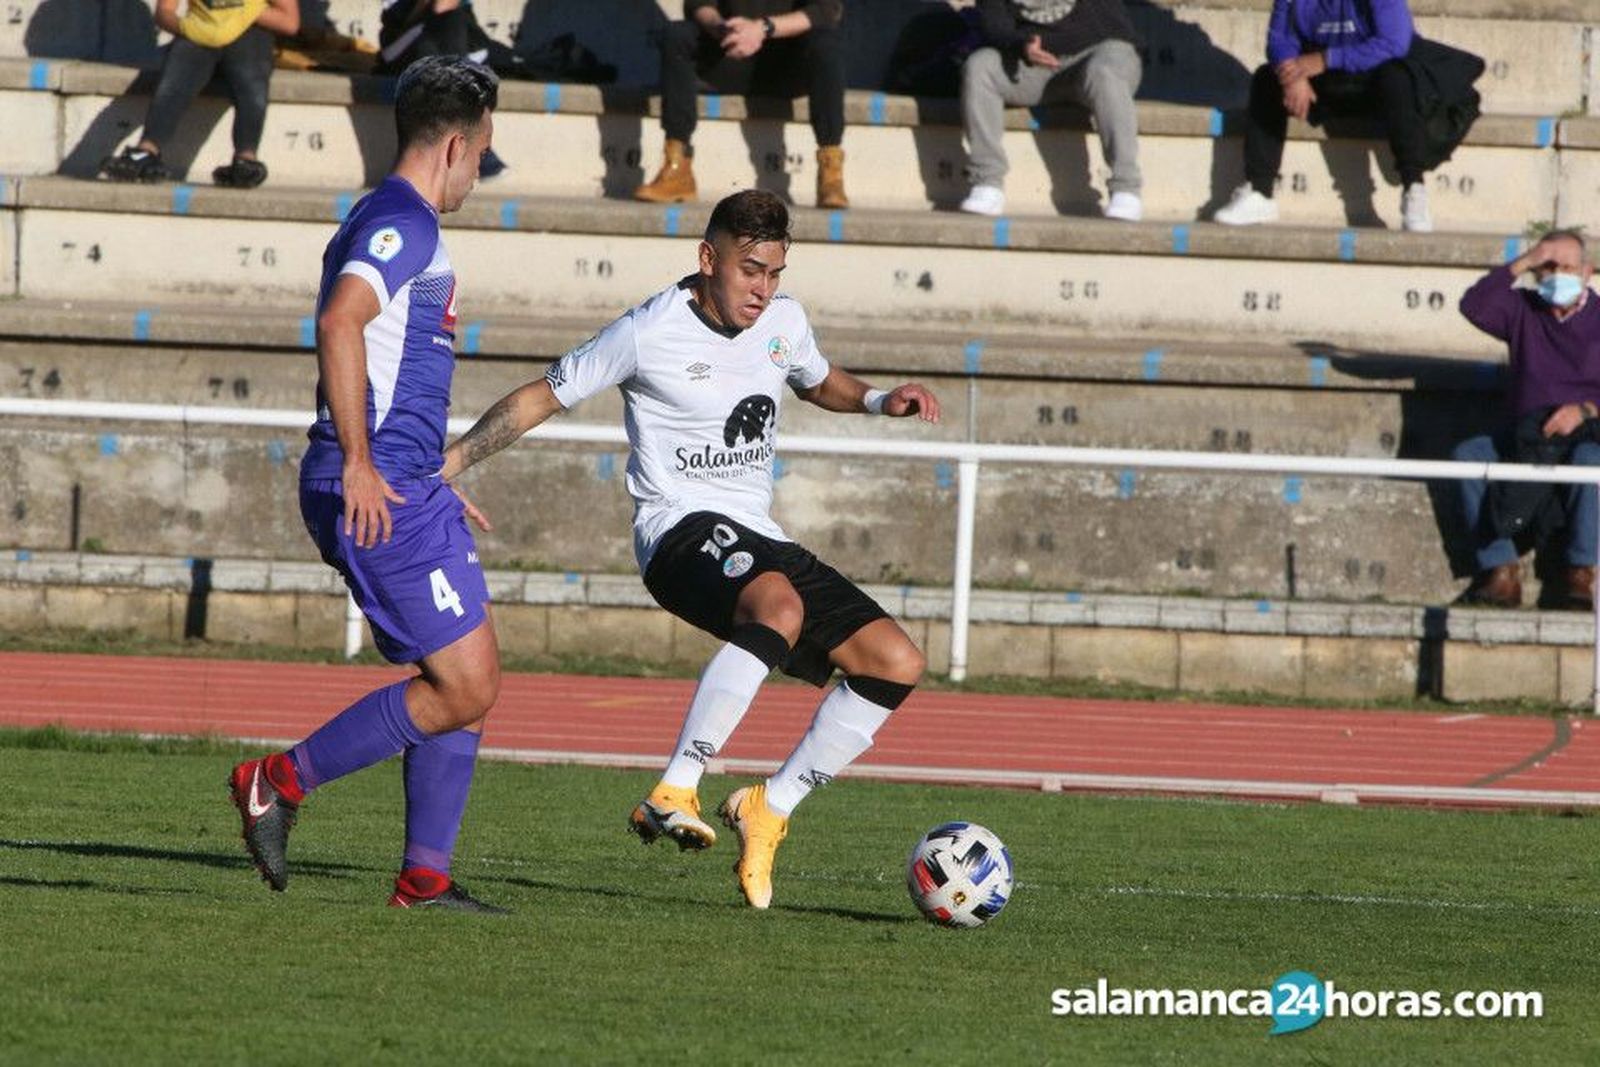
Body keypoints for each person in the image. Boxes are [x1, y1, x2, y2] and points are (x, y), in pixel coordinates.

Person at [440, 190, 940, 909]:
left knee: (895, 661)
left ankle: (770, 808)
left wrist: (877, 399)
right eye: (749, 271)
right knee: (780, 605)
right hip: (676, 533)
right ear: (709, 259)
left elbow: (818, 378)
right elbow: (544, 395)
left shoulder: (783, 321)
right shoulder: (650, 329)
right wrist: (452, 463)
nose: (763, 289)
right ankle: (675, 786)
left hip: (758, 534)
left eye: (774, 272)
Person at [227, 56, 508, 911]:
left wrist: (422, 472)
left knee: (465, 675)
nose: (479, 173)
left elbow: (389, 352)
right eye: (482, 153)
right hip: (373, 477)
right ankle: (276, 781)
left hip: (401, 475)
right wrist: (362, 460)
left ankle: (425, 875)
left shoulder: (391, 218)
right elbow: (340, 319)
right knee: (465, 685)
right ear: (456, 142)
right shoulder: (403, 222)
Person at [1213, 0, 1480, 233]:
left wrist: (1325, 59)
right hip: (1324, 85)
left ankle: (1413, 188)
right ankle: (1260, 192)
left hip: (1375, 83)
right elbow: (1280, 39)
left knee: (1397, 77)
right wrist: (1291, 75)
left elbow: (1394, 42)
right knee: (1265, 79)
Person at [1453, 231, 1600, 610]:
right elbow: (1473, 305)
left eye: (1566, 267)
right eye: (1548, 266)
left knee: (1590, 462)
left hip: (1585, 434)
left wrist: (1584, 410)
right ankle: (1500, 569)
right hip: (1526, 434)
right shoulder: (1523, 310)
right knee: (1469, 455)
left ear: (1586, 272)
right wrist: (1525, 260)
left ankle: (1581, 572)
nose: (1557, 274)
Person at [634, 1, 850, 209]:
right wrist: (721, 27)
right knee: (677, 34)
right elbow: (698, 4)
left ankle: (831, 171)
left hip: (787, 66)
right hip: (732, 54)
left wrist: (763, 28)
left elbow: (826, 10)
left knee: (827, 42)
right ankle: (677, 165)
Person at [958, 0, 1143, 221]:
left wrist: (1048, 43)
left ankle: (1126, 188)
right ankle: (986, 182)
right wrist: (1022, 45)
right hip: (1035, 65)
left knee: (1105, 73)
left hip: (1097, 54)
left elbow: (1109, 26)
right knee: (980, 66)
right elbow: (994, 26)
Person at [99, 0, 300, 187]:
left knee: (251, 85)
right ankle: (145, 151)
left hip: (249, 34)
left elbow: (290, 23)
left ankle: (246, 159)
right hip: (198, 32)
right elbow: (164, 12)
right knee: (174, 81)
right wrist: (185, 27)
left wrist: (245, 10)